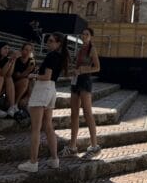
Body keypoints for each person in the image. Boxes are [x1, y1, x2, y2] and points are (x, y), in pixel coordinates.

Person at [17, 32, 69, 173]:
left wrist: (33, 75)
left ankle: (33, 162)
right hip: (52, 90)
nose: (48, 43)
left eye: (51, 41)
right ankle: (54, 159)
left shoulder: (52, 56)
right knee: (48, 126)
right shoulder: (59, 56)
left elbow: (46, 76)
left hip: (43, 89)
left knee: (36, 128)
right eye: (48, 40)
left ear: (58, 43)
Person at [60, 27, 101, 158]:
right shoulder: (80, 49)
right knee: (74, 113)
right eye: (83, 34)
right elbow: (76, 66)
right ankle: (72, 146)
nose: (84, 36)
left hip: (85, 81)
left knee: (87, 112)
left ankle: (95, 146)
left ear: (91, 36)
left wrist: (83, 69)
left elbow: (97, 67)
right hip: (76, 81)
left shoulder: (92, 49)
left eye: (87, 34)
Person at [0, 42, 19, 118]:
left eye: (8, 48)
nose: (7, 50)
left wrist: (13, 61)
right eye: (5, 48)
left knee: (9, 78)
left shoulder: (5, 59)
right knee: (1, 78)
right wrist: (10, 61)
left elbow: (9, 74)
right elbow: (1, 73)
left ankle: (12, 106)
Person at [13, 43, 36, 109]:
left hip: (27, 86)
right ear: (22, 50)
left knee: (32, 81)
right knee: (25, 81)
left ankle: (28, 100)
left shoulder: (31, 61)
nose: (28, 52)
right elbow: (16, 76)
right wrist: (27, 71)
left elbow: (32, 76)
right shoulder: (17, 60)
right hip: (15, 84)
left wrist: (32, 73)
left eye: (30, 50)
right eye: (26, 49)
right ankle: (15, 105)